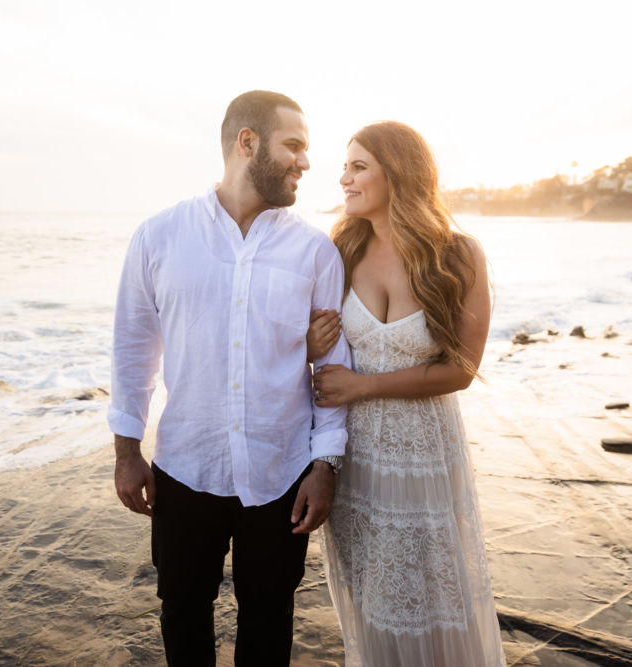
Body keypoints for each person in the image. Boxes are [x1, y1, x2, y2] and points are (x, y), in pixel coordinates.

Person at [109, 90, 352, 666]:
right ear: (248, 143)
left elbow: (333, 368)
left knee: (269, 619)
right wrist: (126, 451)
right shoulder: (159, 236)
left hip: (281, 471)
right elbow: (133, 347)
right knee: (183, 612)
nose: (306, 162)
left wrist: (325, 465)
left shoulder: (315, 251)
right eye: (294, 145)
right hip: (185, 465)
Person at [307, 121, 505, 666]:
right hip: (356, 455)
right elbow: (314, 355)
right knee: (370, 595)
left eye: (358, 166)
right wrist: (307, 342)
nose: (343, 178)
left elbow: (461, 368)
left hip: (423, 453)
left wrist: (362, 385)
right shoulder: (340, 248)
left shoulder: (458, 254)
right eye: (345, 166)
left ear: (398, 172)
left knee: (434, 594)